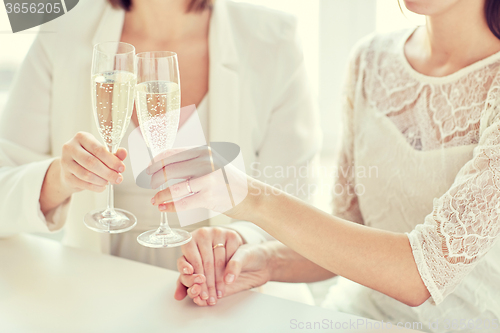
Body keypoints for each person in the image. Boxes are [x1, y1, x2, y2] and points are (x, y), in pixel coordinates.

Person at [155, 0, 500, 330]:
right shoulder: (371, 60)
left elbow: (420, 275)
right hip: (350, 317)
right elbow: (348, 228)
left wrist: (249, 196)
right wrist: (264, 260)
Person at [0, 0, 320, 305]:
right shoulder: (63, 30)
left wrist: (241, 241)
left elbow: (299, 211)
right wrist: (58, 178)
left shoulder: (273, 39)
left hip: (227, 296)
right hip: (94, 291)